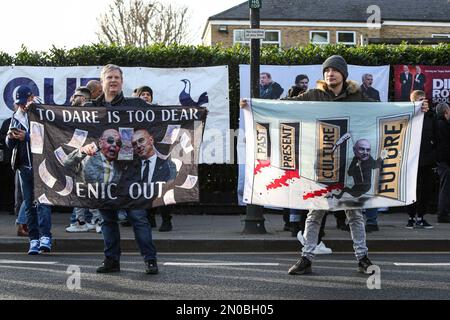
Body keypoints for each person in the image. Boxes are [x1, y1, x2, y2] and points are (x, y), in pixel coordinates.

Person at [86, 64, 159, 274]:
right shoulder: (92, 109)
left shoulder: (135, 104)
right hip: (104, 174)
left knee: (138, 217)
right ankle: (111, 261)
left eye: (117, 77)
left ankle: (150, 260)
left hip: (131, 173)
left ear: (122, 81)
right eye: (109, 77)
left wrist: (194, 112)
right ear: (102, 82)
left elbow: (163, 116)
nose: (113, 80)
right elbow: (64, 122)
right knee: (107, 219)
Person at [6, 85, 52, 255]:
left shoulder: (43, 112)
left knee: (43, 202)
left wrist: (26, 137)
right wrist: (11, 137)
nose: (23, 106)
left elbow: (50, 137)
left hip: (42, 166)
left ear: (32, 97)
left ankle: (46, 237)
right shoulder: (16, 116)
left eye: (25, 102)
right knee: (29, 206)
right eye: (20, 103)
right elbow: (9, 145)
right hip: (24, 167)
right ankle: (33, 239)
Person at [65, 87, 103, 233]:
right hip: (75, 157)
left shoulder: (95, 114)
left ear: (86, 99)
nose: (74, 98)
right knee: (78, 192)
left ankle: (98, 221)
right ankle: (80, 222)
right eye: (73, 96)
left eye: (78, 96)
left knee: (91, 191)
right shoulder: (69, 114)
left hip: (91, 157)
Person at [405, 90, 435, 229]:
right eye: (420, 99)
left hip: (427, 160)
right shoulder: (407, 116)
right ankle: (411, 217)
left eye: (425, 99)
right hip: (411, 160)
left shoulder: (430, 117)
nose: (423, 101)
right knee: (411, 189)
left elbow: (436, 136)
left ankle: (421, 216)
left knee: (425, 190)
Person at [435, 102, 450, 223]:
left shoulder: (438, 124)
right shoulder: (443, 125)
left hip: (442, 160)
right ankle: (443, 214)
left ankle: (444, 213)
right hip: (445, 161)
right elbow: (445, 146)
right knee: (445, 188)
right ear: (445, 112)